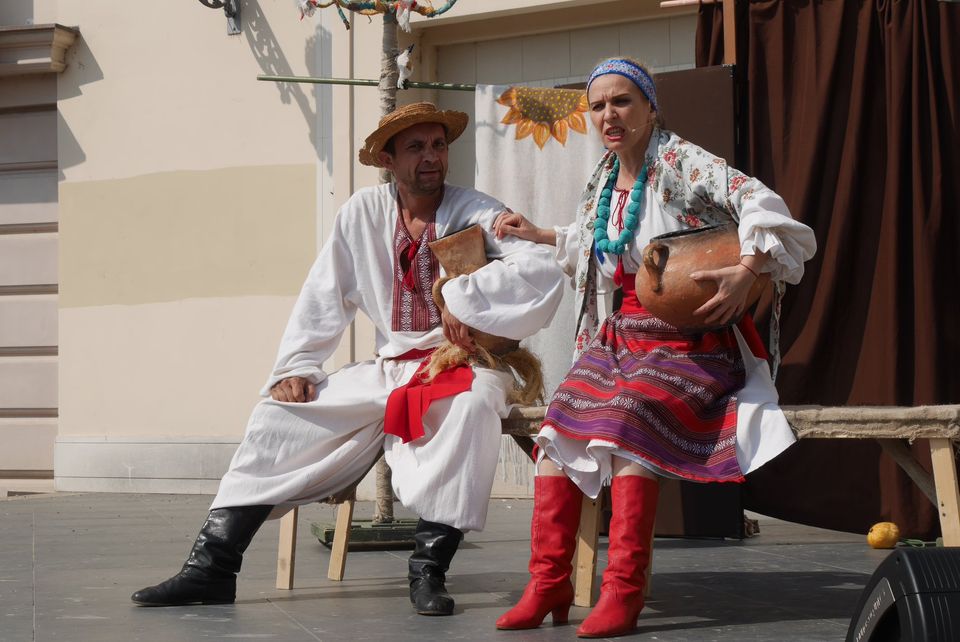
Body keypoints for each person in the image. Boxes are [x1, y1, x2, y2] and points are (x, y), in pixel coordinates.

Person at [131, 102, 564, 616]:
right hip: (391, 366)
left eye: (439, 145)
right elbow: (324, 292)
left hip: (462, 365)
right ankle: (211, 569)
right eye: (416, 147)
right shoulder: (361, 213)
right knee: (281, 414)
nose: (431, 158)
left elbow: (540, 267)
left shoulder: (479, 210)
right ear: (387, 159)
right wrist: (296, 366)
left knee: (470, 409)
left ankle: (428, 571)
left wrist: (462, 294)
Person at [492, 58, 817, 638]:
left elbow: (765, 206)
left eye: (621, 101)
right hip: (620, 336)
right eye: (598, 105)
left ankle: (624, 589)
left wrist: (746, 270)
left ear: (648, 106)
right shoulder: (603, 177)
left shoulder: (684, 161)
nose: (608, 115)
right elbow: (594, 245)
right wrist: (537, 234)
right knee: (557, 429)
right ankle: (549, 583)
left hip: (693, 340)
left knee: (628, 419)